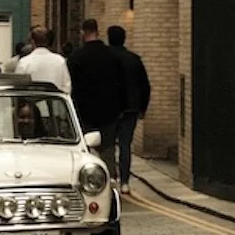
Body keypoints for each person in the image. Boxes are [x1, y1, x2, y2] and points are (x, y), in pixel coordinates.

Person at [67, 18, 126, 174]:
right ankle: (112, 179)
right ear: (98, 32)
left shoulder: (75, 57)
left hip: (84, 111)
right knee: (108, 148)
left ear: (82, 33)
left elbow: (70, 86)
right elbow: (121, 83)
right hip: (109, 110)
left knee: (86, 148)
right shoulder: (112, 56)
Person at [106, 25, 151, 193]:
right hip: (131, 109)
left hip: (109, 109)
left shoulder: (105, 58)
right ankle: (125, 182)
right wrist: (142, 108)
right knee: (125, 145)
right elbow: (144, 85)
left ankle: (111, 178)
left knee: (108, 145)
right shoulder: (134, 59)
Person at [16, 26, 72, 93]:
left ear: (33, 41)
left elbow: (18, 87)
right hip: (55, 100)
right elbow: (67, 86)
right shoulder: (60, 61)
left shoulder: (24, 62)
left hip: (32, 101)